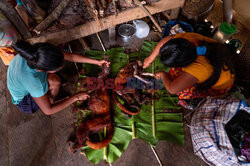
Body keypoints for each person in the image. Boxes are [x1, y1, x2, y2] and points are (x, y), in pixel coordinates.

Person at [7, 40, 110, 115]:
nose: (62, 65)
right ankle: (49, 99)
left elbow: (71, 57)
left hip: (23, 81)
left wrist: (97, 62)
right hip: (25, 101)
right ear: (43, 70)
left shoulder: (38, 53)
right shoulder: (35, 83)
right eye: (56, 68)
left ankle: (49, 93)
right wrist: (76, 97)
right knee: (55, 81)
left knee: (56, 79)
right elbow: (48, 111)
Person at [143, 32, 235, 108]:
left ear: (185, 64)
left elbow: (172, 89)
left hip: (222, 85)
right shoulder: (186, 41)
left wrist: (163, 75)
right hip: (220, 63)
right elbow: (168, 39)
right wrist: (150, 59)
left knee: (182, 92)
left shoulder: (199, 68)